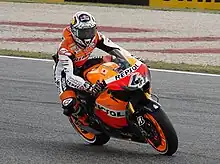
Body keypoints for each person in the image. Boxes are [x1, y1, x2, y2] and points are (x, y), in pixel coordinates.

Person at [53, 11, 142, 126]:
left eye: (90, 30)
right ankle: (83, 121)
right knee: (69, 104)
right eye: (83, 32)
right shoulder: (65, 48)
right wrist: (89, 87)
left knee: (113, 60)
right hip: (65, 73)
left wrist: (131, 59)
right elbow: (70, 77)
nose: (88, 35)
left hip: (84, 63)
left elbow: (114, 48)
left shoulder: (96, 36)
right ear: (74, 32)